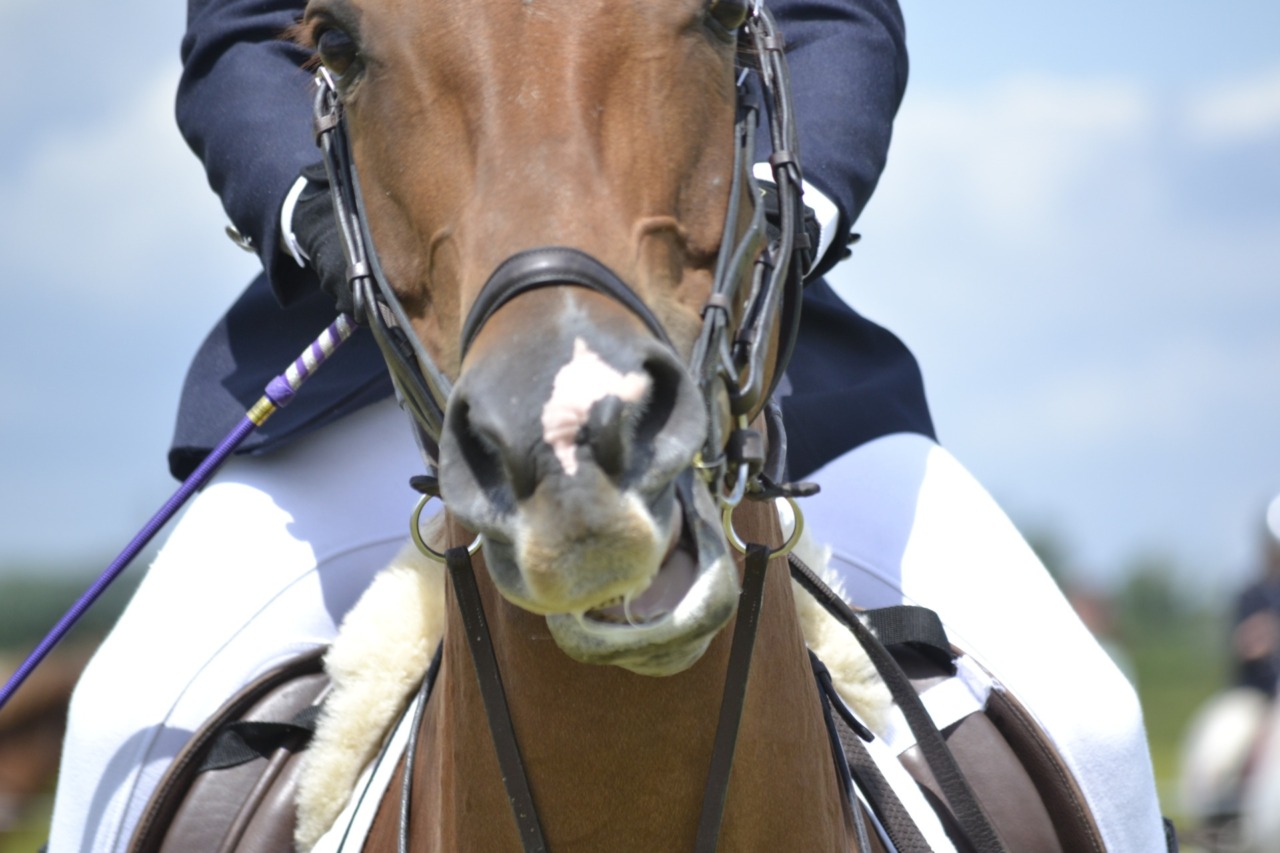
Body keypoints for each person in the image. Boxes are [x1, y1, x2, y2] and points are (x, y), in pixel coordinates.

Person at [47, 0, 1168, 850]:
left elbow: (830, 16)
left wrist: (791, 210)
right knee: (123, 719)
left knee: (1089, 716)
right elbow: (247, 33)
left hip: (746, 354)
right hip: (374, 364)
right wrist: (325, 222)